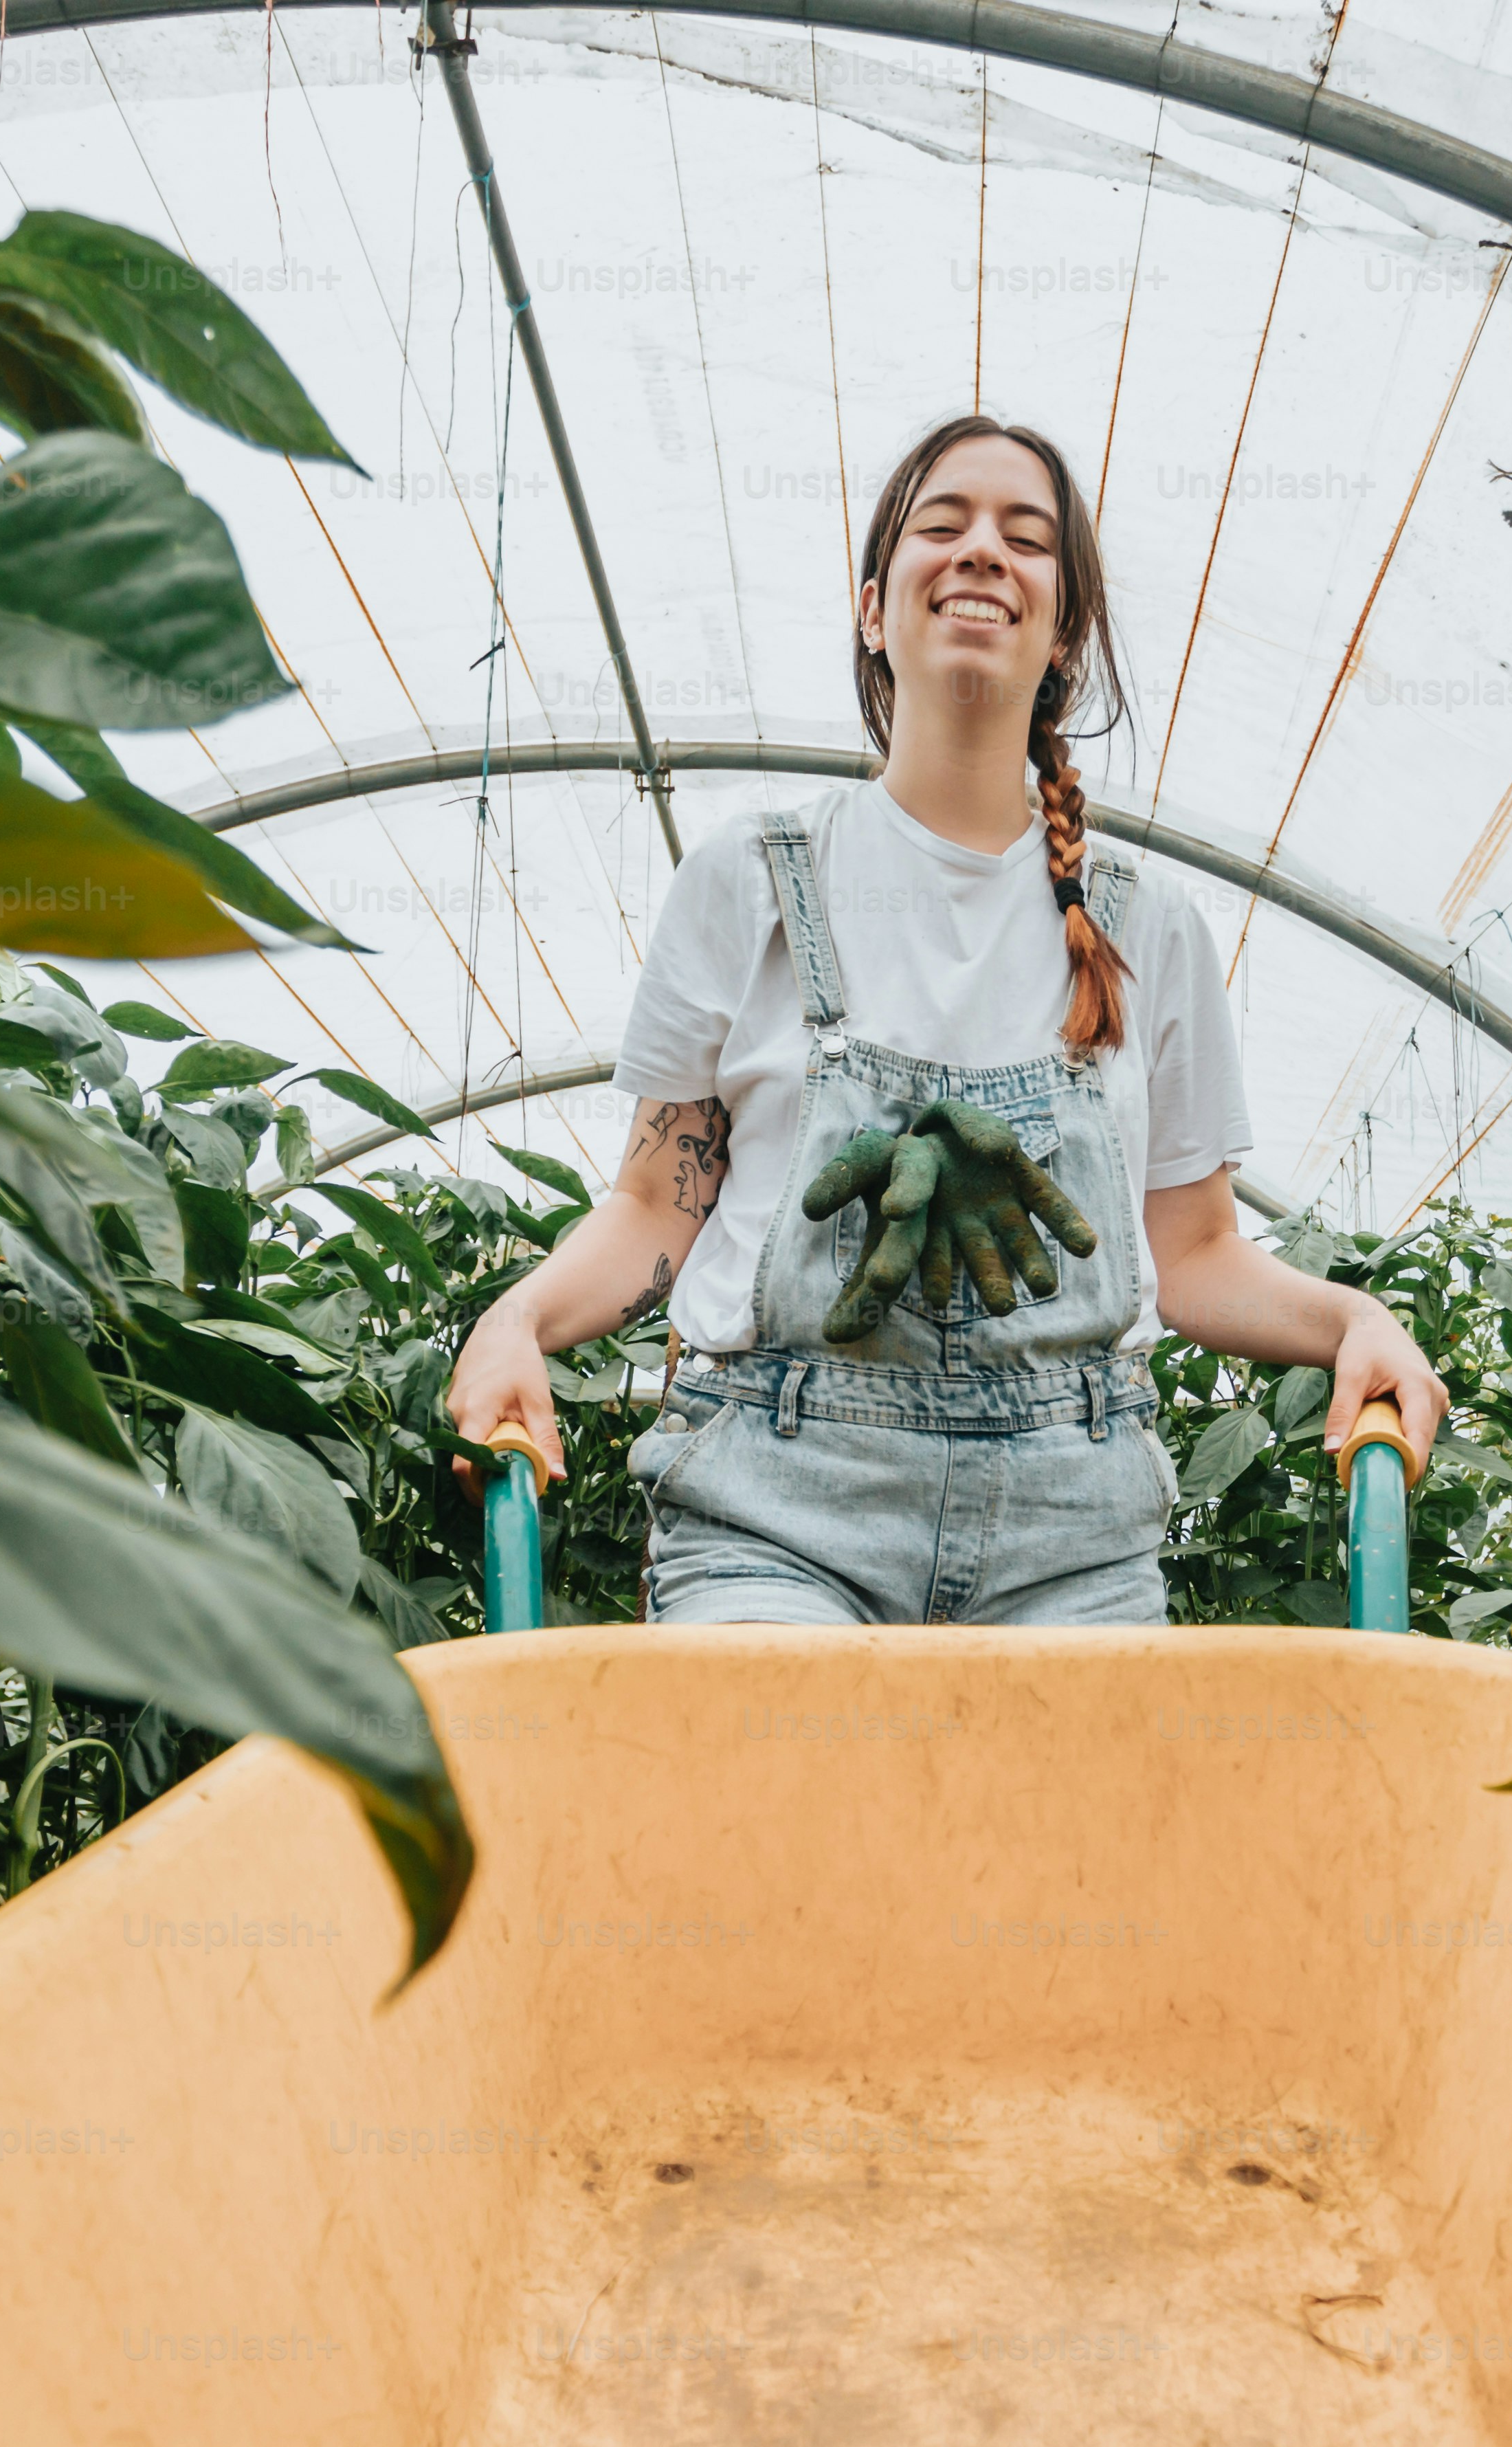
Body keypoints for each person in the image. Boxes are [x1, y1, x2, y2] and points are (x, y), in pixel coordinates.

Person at [443, 413, 1449, 1624]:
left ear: (1063, 627)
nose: (982, 551)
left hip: (1070, 1539)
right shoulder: (754, 881)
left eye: (1026, 540)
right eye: (944, 525)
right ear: (875, 607)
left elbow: (1191, 1257)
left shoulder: (1147, 928)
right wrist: (514, 1322)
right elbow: (660, 1208)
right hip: (778, 1511)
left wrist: (1357, 1319)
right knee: (791, 1800)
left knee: (1074, 1821)